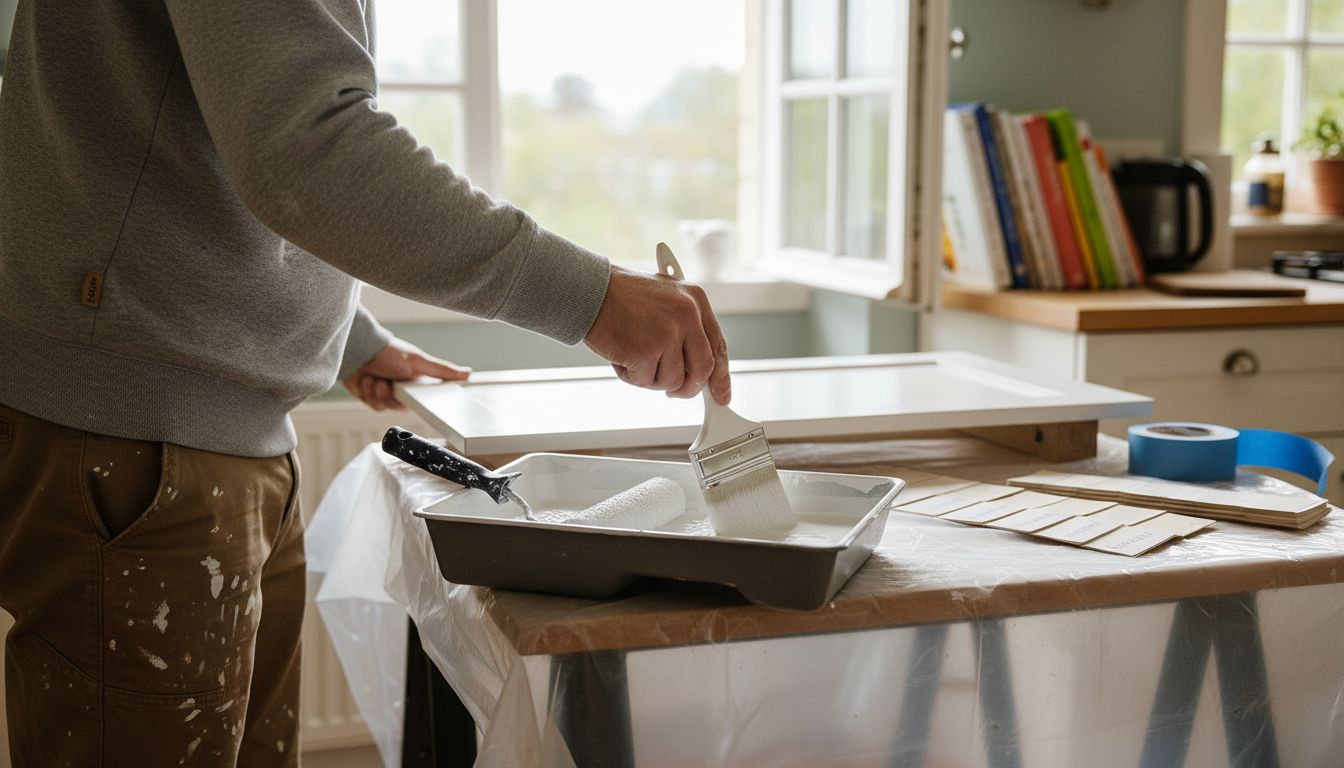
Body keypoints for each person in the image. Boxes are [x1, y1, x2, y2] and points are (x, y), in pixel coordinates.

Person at [0, 0, 731, 765]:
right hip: (141, 440)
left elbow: (214, 133)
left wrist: (347, 337)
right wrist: (595, 297)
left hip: (193, 433)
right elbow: (309, 147)